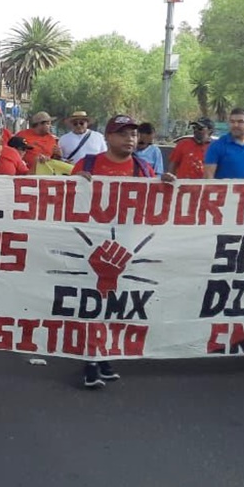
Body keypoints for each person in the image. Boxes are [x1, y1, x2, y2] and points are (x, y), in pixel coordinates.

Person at [71, 115, 175, 389]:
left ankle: (101, 355)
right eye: (122, 133)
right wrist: (75, 184)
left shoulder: (143, 169)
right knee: (93, 301)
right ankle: (91, 360)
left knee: (114, 304)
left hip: (126, 246)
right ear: (107, 137)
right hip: (91, 245)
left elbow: (152, 205)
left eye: (133, 133)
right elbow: (66, 201)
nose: (130, 138)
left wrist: (165, 187)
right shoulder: (88, 164)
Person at [205, 108, 244, 180]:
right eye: (232, 122)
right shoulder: (216, 146)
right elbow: (208, 178)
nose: (235, 125)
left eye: (240, 122)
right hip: (226, 191)